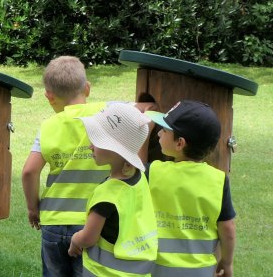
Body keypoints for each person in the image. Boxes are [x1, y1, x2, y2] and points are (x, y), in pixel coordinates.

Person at [21, 56, 108, 277]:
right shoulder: (104, 115)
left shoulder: (48, 126)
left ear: (49, 96)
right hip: (92, 223)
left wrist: (33, 208)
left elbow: (29, 171)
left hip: (53, 222)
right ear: (87, 88)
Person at [145, 101, 236, 277]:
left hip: (156, 269)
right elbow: (228, 229)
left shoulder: (153, 171)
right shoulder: (219, 180)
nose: (158, 133)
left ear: (180, 143)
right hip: (200, 272)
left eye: (164, 130)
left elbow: (128, 170)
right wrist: (227, 262)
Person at [68, 103, 158, 276]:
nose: (90, 146)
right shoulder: (138, 177)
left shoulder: (107, 196)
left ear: (117, 150)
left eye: (97, 140)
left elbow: (88, 238)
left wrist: (74, 240)